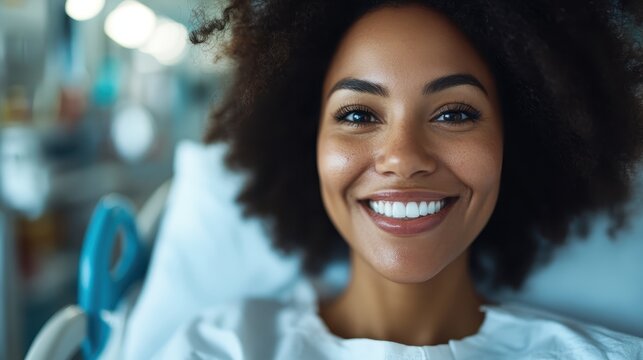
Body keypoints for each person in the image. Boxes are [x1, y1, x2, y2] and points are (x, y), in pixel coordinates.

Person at [157, 0, 643, 358]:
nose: (403, 158)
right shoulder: (218, 346)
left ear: (514, 143)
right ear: (308, 142)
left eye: (454, 114)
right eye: (357, 115)